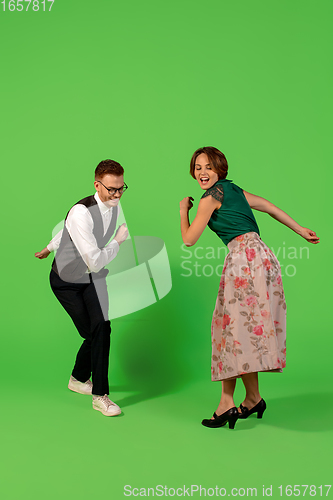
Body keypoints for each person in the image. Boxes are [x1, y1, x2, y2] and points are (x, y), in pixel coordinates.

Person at [179, 147, 319, 430]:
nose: (202, 173)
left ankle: (226, 403)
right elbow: (268, 206)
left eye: (208, 167)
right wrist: (300, 229)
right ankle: (253, 397)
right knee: (242, 328)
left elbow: (189, 239)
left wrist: (183, 210)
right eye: (197, 168)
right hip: (262, 256)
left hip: (243, 260)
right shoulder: (234, 191)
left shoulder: (210, 198)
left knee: (230, 329)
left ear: (220, 168)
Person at [35, 159, 129, 416]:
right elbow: (95, 257)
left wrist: (48, 247)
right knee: (93, 333)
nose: (118, 194)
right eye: (112, 189)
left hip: (92, 278)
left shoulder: (114, 206)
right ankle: (77, 379)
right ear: (97, 185)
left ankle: (100, 395)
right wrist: (118, 242)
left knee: (102, 327)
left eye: (122, 188)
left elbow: (68, 232)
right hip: (67, 282)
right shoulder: (81, 211)